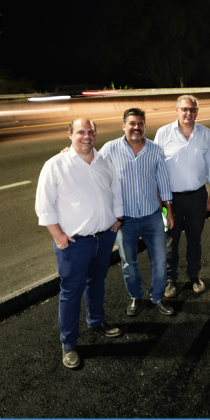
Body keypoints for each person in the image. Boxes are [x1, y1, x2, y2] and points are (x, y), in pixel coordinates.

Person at [35, 118, 124, 369]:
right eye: (81, 132)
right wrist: (58, 236)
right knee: (71, 292)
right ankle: (69, 343)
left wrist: (118, 219)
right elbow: (44, 205)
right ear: (70, 135)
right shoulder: (56, 164)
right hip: (75, 244)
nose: (86, 136)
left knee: (97, 282)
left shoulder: (104, 161)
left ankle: (97, 321)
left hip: (104, 237)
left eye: (91, 132)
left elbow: (116, 191)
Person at [99, 108, 176, 317]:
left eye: (140, 123)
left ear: (144, 125)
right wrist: (69, 153)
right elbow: (92, 165)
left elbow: (163, 181)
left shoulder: (155, 149)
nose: (136, 127)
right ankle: (136, 296)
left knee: (160, 259)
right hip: (126, 219)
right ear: (123, 125)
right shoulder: (110, 149)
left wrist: (169, 210)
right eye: (132, 123)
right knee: (128, 262)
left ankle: (157, 297)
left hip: (153, 215)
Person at [154, 95, 210, 298]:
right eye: (184, 109)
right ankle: (170, 279)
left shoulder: (205, 133)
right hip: (169, 199)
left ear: (197, 111)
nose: (188, 113)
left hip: (198, 197)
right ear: (177, 110)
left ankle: (194, 276)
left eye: (192, 109)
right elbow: (155, 166)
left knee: (195, 240)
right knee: (168, 241)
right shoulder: (163, 133)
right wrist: (160, 200)